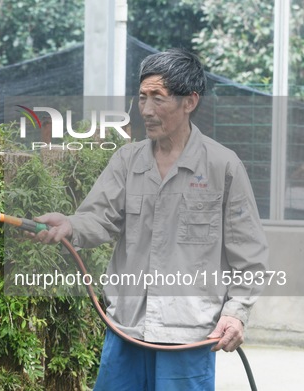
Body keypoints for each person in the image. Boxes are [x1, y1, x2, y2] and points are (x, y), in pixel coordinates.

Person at [33, 48, 269, 390]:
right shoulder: (127, 161)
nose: (146, 110)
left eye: (158, 98)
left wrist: (236, 312)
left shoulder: (223, 166)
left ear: (189, 101)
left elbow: (249, 254)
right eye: (142, 98)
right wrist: (70, 225)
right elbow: (99, 218)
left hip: (188, 335)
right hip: (126, 328)